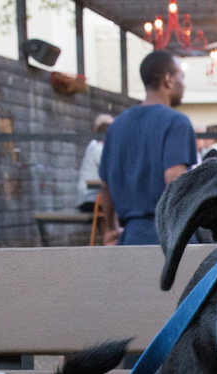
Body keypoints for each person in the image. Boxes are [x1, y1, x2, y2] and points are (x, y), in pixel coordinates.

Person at [97, 50, 197, 245]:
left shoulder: (116, 125)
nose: (184, 84)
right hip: (169, 237)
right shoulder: (177, 123)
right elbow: (174, 179)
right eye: (181, 77)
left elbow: (105, 186)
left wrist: (110, 229)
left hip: (130, 239)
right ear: (168, 80)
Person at [76, 114, 113, 213]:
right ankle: (112, 228)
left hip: (90, 197)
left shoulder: (94, 146)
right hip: (90, 199)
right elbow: (110, 171)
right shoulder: (97, 148)